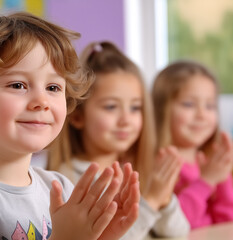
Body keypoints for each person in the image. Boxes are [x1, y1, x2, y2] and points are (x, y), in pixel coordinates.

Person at [0, 12, 140, 240]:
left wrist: (102, 236)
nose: (42, 101)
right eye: (18, 85)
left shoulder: (60, 188)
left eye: (53, 88)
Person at [48, 41, 190, 239]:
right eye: (111, 107)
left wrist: (164, 198)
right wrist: (152, 201)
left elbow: (179, 232)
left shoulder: (137, 171)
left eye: (135, 108)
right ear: (78, 116)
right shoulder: (67, 179)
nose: (125, 120)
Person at [152, 60, 233, 229]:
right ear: (161, 109)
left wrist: (222, 177)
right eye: (189, 104)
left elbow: (229, 220)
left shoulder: (208, 162)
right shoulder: (158, 164)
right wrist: (207, 181)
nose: (202, 115)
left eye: (210, 106)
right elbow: (176, 226)